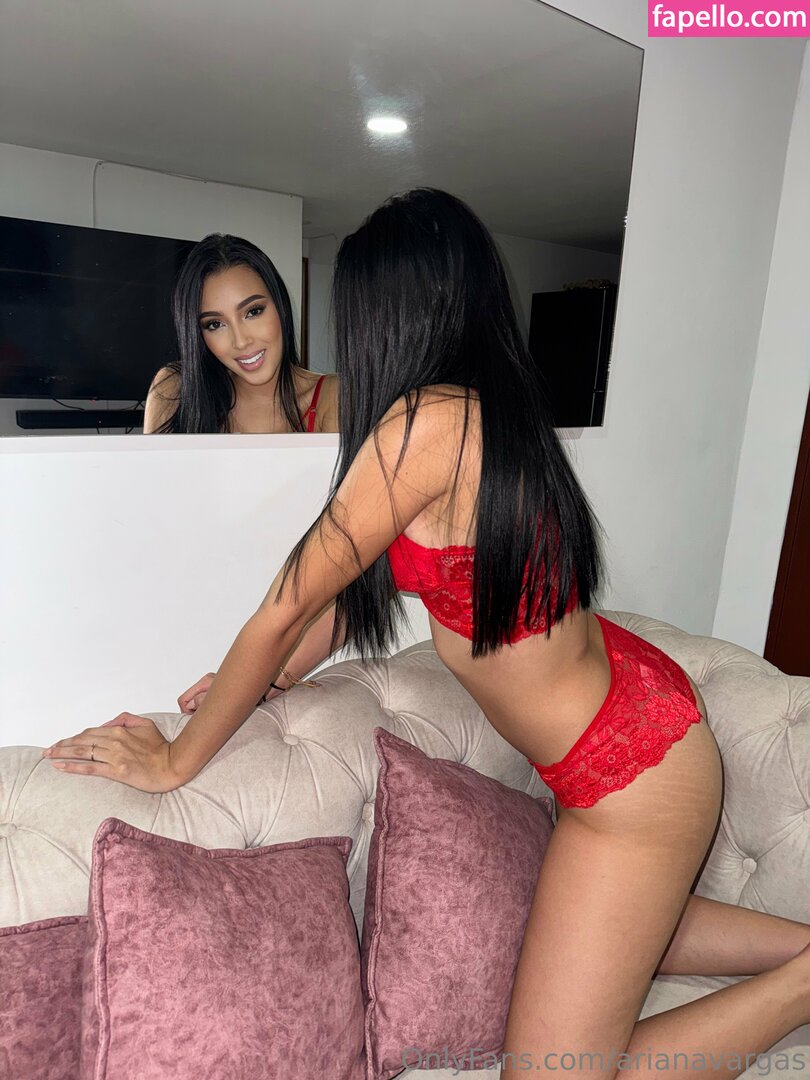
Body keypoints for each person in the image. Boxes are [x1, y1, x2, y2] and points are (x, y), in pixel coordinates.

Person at [44, 190, 810, 1080]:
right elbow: (345, 601)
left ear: (385, 314)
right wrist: (264, 682)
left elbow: (284, 605)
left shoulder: (428, 425)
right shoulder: (483, 408)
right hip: (630, 731)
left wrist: (177, 761)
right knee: (633, 937)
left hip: (631, 777)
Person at [143, 233, 338, 434]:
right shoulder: (176, 391)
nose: (241, 341)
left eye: (253, 312)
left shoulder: (333, 396)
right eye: (215, 324)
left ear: (281, 306)